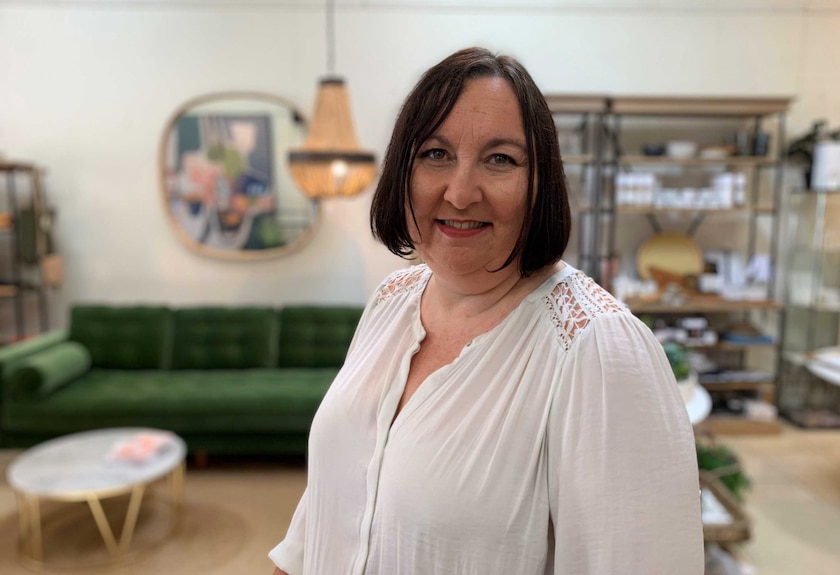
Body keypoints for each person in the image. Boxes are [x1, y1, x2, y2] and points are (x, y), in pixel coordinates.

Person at [269, 46, 703, 575]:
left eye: (500, 159)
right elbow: (330, 505)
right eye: (435, 154)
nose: (459, 192)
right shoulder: (392, 300)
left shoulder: (597, 348)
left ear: (540, 183)